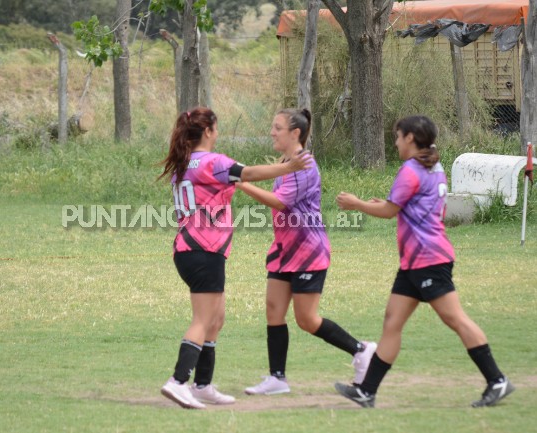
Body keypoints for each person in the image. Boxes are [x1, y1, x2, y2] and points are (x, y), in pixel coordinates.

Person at [334, 115, 514, 408]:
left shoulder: (411, 170)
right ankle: (367, 391)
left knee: (455, 319)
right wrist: (384, 204)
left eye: (397, 136)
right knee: (392, 322)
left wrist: (357, 204)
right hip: (414, 263)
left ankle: (497, 380)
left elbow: (391, 211)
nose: (395, 142)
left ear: (410, 139)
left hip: (429, 259)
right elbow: (408, 207)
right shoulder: (434, 166)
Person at [158, 107, 312, 409]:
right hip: (202, 251)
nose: (218, 132)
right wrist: (288, 168)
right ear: (208, 132)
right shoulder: (212, 162)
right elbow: (249, 174)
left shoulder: (185, 161)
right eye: (217, 127)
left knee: (216, 319)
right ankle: (178, 381)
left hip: (195, 251)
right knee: (203, 320)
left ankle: (202, 385)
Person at [235, 108, 376, 396]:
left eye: (277, 127)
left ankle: (361, 350)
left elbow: (280, 202)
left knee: (307, 319)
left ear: (295, 133)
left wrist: (242, 184)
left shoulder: (305, 165)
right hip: (284, 250)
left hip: (308, 251)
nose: (272, 132)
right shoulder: (288, 162)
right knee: (274, 310)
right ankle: (277, 379)